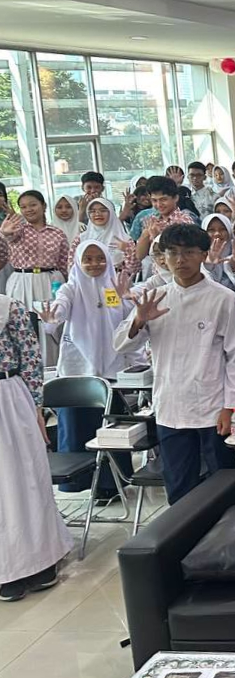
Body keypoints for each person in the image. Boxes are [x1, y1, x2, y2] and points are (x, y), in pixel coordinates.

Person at [113, 223, 235, 503]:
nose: (180, 260)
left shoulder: (223, 298)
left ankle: (226, 528)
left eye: (189, 252)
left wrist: (231, 408)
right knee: (178, 484)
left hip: (212, 406)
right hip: (171, 405)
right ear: (162, 257)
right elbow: (122, 345)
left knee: (223, 482)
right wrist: (139, 320)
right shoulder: (156, 298)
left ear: (203, 255)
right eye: (172, 252)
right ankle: (184, 530)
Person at [39, 240, 141, 496]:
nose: (95, 264)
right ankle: (78, 483)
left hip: (111, 368)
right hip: (78, 369)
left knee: (111, 429)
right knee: (77, 428)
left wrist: (126, 298)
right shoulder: (71, 287)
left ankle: (111, 486)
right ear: (78, 261)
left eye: (100, 258)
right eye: (88, 259)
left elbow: (127, 320)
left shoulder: (114, 286)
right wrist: (53, 317)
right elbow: (60, 307)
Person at [0, 289, 73, 602]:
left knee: (25, 479)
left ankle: (39, 560)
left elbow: (30, 359)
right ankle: (7, 567)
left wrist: (37, 406)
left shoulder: (8, 307)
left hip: (9, 397)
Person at [1, 191, 70, 308]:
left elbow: (64, 263)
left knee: (53, 315)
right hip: (23, 281)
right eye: (23, 207)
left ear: (44, 206)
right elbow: (9, 238)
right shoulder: (18, 230)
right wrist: (5, 234)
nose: (28, 209)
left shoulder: (57, 233)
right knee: (25, 316)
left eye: (33, 205)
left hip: (52, 281)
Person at [73, 196, 138, 278]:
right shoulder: (81, 239)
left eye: (103, 210)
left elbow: (134, 270)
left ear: (111, 213)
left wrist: (128, 250)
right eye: (93, 211)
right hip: (86, 281)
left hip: (116, 281)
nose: (97, 214)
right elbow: (72, 267)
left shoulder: (125, 240)